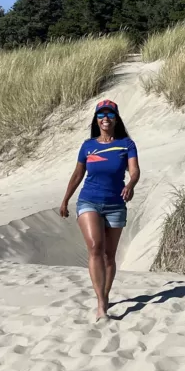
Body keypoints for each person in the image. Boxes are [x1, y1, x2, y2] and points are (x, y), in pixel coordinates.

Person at [59, 99, 140, 320]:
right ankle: (101, 305)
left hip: (116, 204)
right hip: (89, 201)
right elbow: (77, 175)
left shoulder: (126, 145)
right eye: (101, 115)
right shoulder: (88, 145)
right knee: (96, 247)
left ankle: (104, 295)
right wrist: (66, 199)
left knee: (108, 256)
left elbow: (134, 171)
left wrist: (131, 185)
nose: (106, 118)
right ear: (96, 119)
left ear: (116, 119)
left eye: (110, 114)